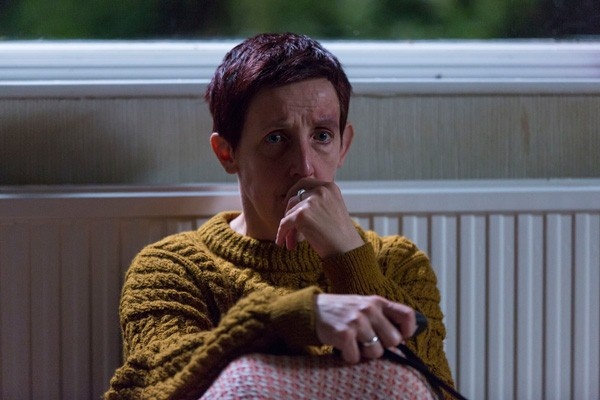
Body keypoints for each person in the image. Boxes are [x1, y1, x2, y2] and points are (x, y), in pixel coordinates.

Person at [105, 32, 455, 399]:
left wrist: (349, 257)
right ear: (227, 153)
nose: (304, 166)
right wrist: (292, 317)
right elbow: (149, 388)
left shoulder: (397, 263)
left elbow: (431, 390)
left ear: (343, 146)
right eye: (276, 138)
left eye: (322, 136)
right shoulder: (171, 268)